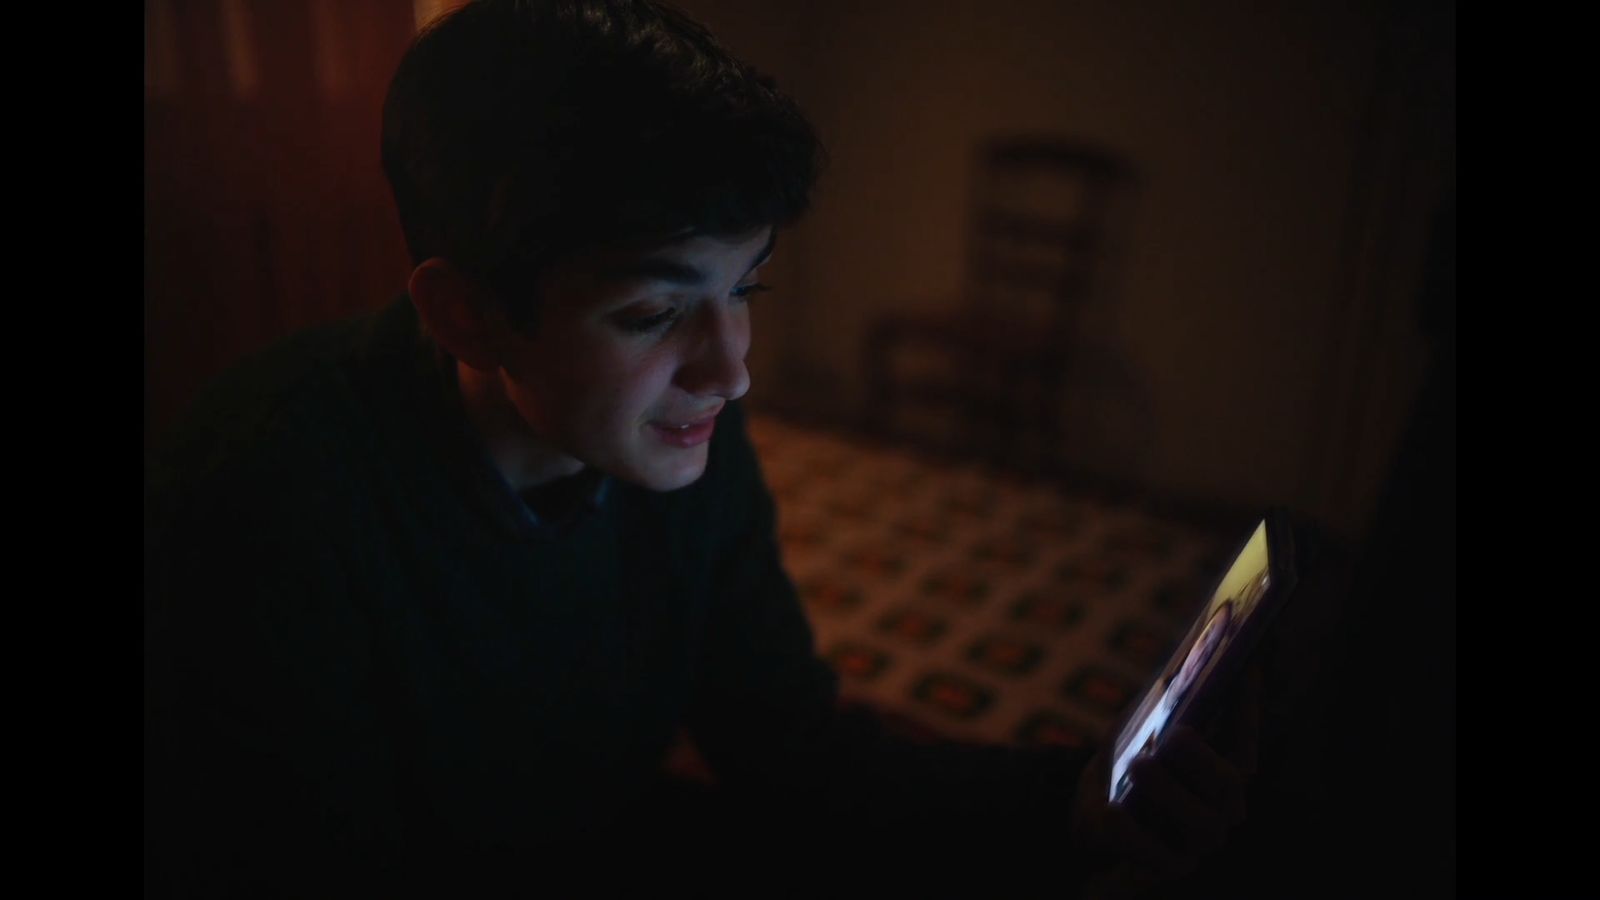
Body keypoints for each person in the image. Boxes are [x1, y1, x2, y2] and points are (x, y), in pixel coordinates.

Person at [144, 0, 1254, 892]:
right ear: (464, 314)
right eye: (652, 313)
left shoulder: (680, 434)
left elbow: (785, 746)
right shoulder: (269, 498)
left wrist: (1069, 798)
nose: (732, 371)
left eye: (743, 289)